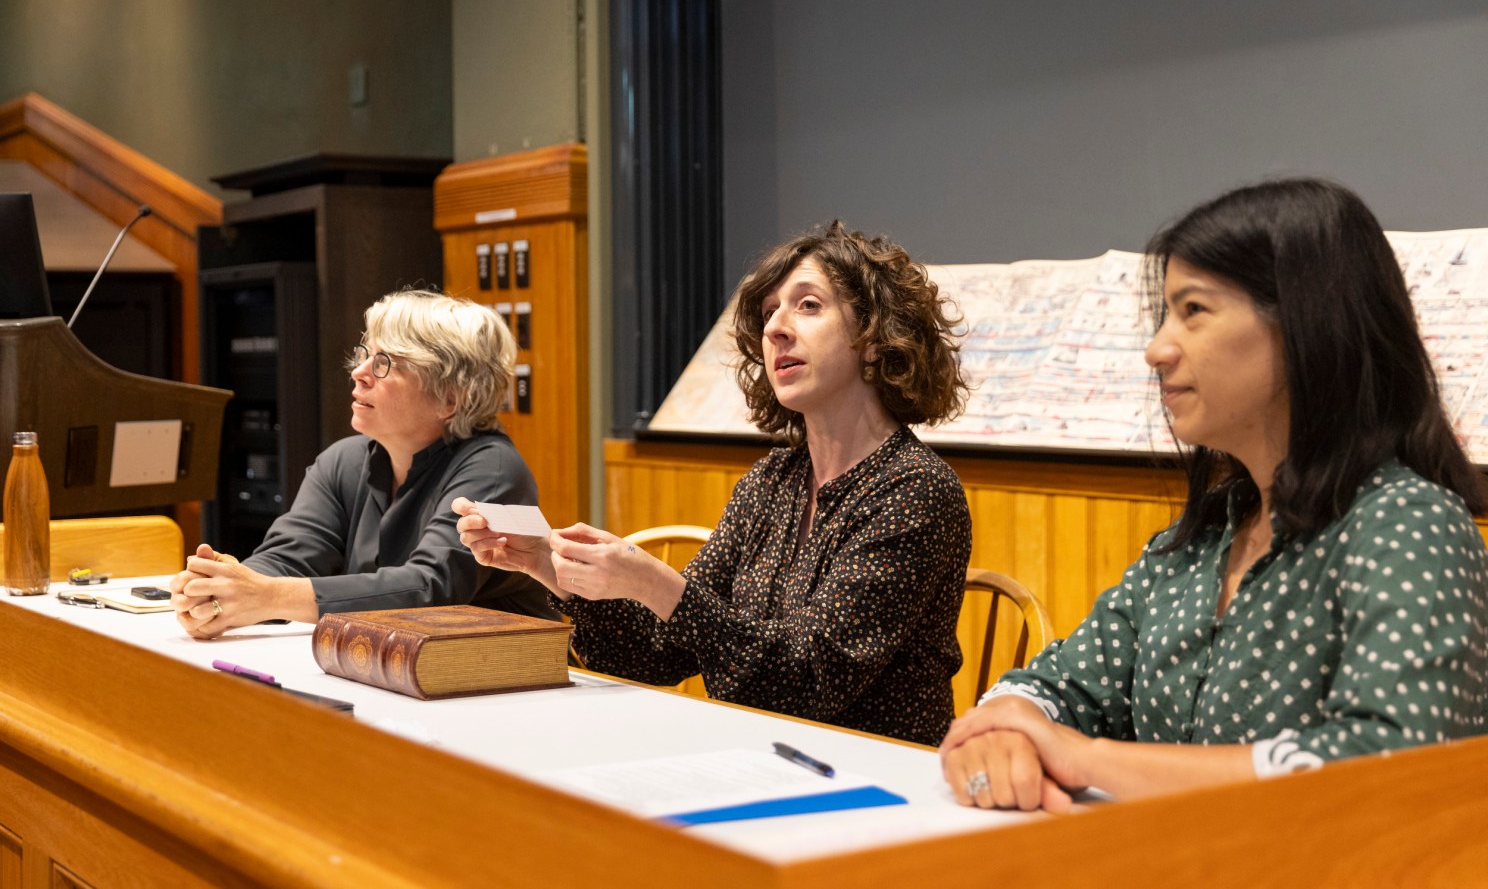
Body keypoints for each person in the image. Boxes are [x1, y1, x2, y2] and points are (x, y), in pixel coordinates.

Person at [940, 178, 1488, 812]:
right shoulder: (1200, 538)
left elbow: (1390, 761)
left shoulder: (1407, 524)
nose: (1156, 350)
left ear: (1309, 322)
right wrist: (1004, 729)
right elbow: (1058, 685)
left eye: (1193, 311)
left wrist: (1087, 758)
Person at [455, 222, 973, 744]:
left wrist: (656, 584)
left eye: (809, 305)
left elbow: (808, 684)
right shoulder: (771, 481)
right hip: (760, 760)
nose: (775, 329)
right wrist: (547, 564)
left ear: (875, 337)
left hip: (876, 782)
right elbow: (656, 654)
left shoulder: (915, 490)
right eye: (770, 312)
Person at [172, 289, 554, 638]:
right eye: (365, 354)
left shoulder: (494, 469)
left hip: (492, 684)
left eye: (386, 362)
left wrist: (267, 596)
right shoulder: (344, 459)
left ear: (450, 398)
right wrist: (218, 589)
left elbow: (430, 588)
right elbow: (291, 555)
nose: (359, 372)